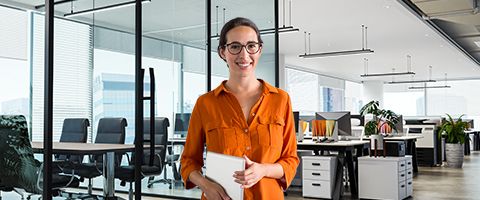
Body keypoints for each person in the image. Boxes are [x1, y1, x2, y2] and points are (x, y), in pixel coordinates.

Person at [180, 17, 299, 200]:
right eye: (235, 47)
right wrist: (206, 186)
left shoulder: (281, 100)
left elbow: (290, 160)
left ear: (259, 50)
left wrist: (263, 170)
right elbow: (188, 162)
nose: (244, 55)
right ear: (222, 52)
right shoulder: (205, 104)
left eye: (251, 46)